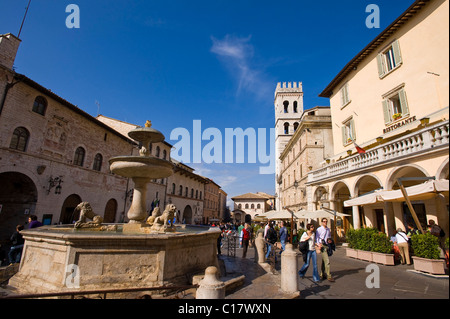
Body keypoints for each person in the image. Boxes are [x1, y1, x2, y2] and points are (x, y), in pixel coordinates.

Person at [316, 218, 335, 282]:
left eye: (326, 221)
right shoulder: (319, 229)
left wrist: (330, 241)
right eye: (324, 221)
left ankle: (322, 274)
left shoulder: (328, 229)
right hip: (322, 246)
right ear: (322, 222)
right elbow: (317, 238)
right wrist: (318, 245)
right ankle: (329, 276)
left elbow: (329, 237)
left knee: (324, 261)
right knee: (327, 260)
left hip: (327, 245)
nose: (325, 222)